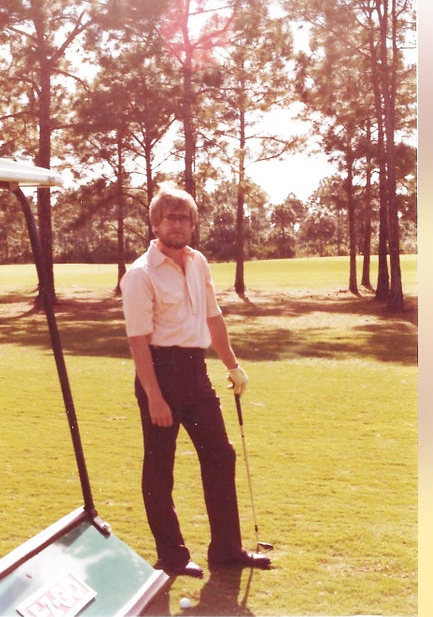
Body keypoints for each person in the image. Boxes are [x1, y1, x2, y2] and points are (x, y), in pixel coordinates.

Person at [120, 183, 271, 579]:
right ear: (155, 223)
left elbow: (213, 317)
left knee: (221, 457)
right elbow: (137, 341)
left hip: (196, 374)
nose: (178, 224)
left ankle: (226, 548)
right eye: (170, 217)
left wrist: (233, 366)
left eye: (184, 217)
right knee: (160, 468)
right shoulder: (140, 274)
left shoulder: (198, 261)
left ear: (192, 224)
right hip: (160, 374)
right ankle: (171, 556)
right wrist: (154, 396)